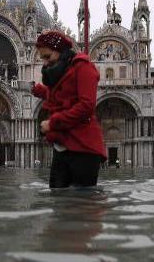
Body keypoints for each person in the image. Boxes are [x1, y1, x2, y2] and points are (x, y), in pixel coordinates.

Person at [31, 30, 106, 188]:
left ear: (60, 51)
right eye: (42, 58)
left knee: (82, 202)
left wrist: (52, 124)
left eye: (47, 56)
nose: (44, 63)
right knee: (58, 199)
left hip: (84, 147)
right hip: (62, 145)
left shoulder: (83, 67)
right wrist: (38, 90)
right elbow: (64, 96)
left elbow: (86, 106)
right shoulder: (61, 70)